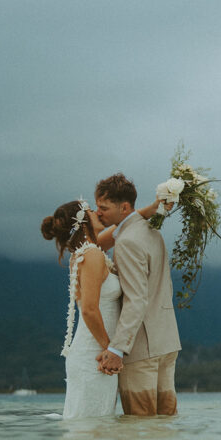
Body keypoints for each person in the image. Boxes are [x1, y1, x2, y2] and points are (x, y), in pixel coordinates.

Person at [41, 194, 161, 419]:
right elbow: (89, 309)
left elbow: (121, 226)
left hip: (94, 350)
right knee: (92, 426)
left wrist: (153, 208)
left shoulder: (89, 250)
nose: (97, 212)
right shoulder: (92, 255)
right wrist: (110, 350)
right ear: (83, 221)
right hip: (95, 353)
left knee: (94, 427)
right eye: (91, 211)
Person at [95, 173, 181, 416]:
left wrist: (117, 349)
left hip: (142, 346)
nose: (98, 213)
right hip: (166, 340)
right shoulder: (152, 231)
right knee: (164, 425)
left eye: (104, 208)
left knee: (139, 425)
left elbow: (136, 299)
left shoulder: (127, 241)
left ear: (124, 207)